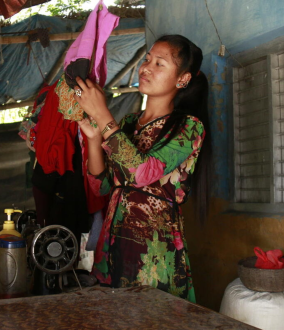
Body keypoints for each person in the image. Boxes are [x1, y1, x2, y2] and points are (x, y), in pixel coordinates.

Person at [73, 35, 211, 303]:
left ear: (182, 79)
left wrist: (103, 116)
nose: (146, 67)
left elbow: (141, 173)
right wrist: (92, 139)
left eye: (160, 64)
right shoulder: (126, 124)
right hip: (112, 243)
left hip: (153, 248)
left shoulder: (189, 126)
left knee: (152, 316)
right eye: (147, 59)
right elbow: (100, 186)